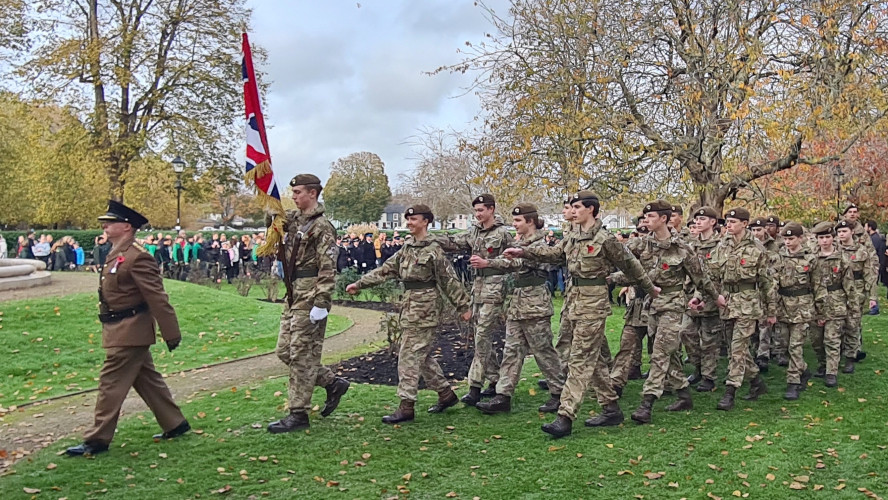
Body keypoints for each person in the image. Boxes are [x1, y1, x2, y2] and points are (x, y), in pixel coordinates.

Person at [503, 190, 656, 437]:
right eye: (571, 207)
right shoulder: (573, 235)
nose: (572, 211)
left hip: (593, 305)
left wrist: (650, 289)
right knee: (593, 360)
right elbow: (555, 254)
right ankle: (611, 407)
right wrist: (524, 252)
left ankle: (565, 415)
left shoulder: (605, 239)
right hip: (574, 302)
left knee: (580, 359)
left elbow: (631, 265)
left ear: (591, 210)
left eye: (577, 207)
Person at [66, 200, 189, 457]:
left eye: (110, 223)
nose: (104, 226)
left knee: (110, 383)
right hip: (120, 328)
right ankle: (175, 423)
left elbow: (156, 297)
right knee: (147, 380)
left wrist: (171, 332)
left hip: (130, 330)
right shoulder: (116, 253)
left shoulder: (137, 257)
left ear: (126, 227)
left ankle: (97, 439)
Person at [347, 204, 471, 423]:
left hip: (426, 309)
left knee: (408, 356)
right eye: (408, 219)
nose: (409, 222)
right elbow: (386, 269)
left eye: (414, 219)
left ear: (426, 221)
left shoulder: (434, 249)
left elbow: (449, 280)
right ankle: (446, 394)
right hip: (409, 307)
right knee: (419, 355)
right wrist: (359, 284)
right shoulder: (407, 248)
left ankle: (406, 406)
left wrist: (463, 307)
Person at [623, 200, 723, 425]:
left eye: (651, 217)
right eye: (645, 217)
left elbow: (700, 277)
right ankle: (684, 395)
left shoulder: (682, 248)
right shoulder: (642, 245)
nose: (646, 220)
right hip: (653, 305)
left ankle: (647, 403)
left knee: (660, 353)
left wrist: (716, 297)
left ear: (664, 219)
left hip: (674, 305)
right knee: (670, 354)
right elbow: (624, 261)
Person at [266, 174, 349, 434]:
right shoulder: (294, 220)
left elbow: (328, 266)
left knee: (301, 355)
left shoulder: (322, 226)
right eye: (293, 192)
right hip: (293, 295)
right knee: (284, 351)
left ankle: (298, 412)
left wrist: (322, 301)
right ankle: (332, 382)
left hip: (310, 293)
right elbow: (274, 222)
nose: (294, 196)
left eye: (299, 192)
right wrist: (268, 205)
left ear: (313, 193)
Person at [472, 203, 565, 415]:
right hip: (517, 303)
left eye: (518, 221)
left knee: (543, 351)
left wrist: (489, 263)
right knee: (511, 351)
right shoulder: (519, 242)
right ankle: (503, 395)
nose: (514, 225)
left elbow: (518, 263)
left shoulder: (541, 243)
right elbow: (509, 262)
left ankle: (559, 393)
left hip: (535, 304)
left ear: (530, 221)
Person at [434, 193, 514, 405]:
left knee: (481, 338)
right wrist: (428, 237)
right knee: (482, 336)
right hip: (477, 289)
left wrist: (489, 263)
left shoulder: (504, 234)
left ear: (491, 210)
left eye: (481, 210)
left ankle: (474, 387)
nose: (478, 214)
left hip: (495, 288)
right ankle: (495, 379)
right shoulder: (473, 232)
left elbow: (517, 261)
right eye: (475, 211)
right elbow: (453, 242)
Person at [711, 207, 776, 411]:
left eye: (733, 222)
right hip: (728, 301)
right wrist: (703, 297)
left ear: (744, 224)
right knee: (734, 349)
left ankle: (730, 392)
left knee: (738, 349)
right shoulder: (722, 246)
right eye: (727, 222)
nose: (728, 225)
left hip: (748, 303)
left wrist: (771, 311)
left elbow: (767, 282)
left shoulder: (757, 248)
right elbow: (712, 274)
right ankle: (757, 382)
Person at [772, 223, 816, 400]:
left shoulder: (810, 259)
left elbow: (817, 285)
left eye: (791, 239)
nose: (788, 242)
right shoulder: (778, 258)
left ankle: (793, 382)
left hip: (802, 307)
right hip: (783, 306)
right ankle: (803, 369)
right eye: (785, 239)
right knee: (783, 344)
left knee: (795, 346)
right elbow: (772, 282)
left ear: (801, 238)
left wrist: (820, 310)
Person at [810, 221, 856, 387]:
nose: (824, 241)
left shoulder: (842, 258)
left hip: (835, 301)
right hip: (815, 303)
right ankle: (822, 364)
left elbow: (849, 285)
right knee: (816, 339)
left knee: (832, 338)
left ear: (833, 238)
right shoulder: (811, 258)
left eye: (827, 237)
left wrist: (853, 307)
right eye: (821, 237)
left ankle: (831, 371)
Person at [687, 207, 726, 392]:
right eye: (697, 219)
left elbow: (719, 277)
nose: (698, 222)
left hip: (714, 298)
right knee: (686, 333)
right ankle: (697, 368)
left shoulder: (721, 245)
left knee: (709, 339)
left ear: (713, 222)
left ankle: (708, 377)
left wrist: (708, 299)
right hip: (691, 296)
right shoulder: (691, 245)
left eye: (702, 219)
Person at [835, 220, 877, 373]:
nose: (841, 234)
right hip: (838, 292)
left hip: (856, 291)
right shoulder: (834, 251)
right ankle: (836, 355)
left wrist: (872, 296)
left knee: (852, 324)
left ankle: (850, 357)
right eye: (839, 232)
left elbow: (869, 275)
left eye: (844, 231)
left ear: (852, 232)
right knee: (837, 324)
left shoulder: (862, 251)